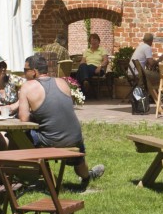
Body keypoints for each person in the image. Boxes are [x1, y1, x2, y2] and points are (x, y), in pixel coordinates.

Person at [16, 55, 105, 191]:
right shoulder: (62, 82)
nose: (23, 72)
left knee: (18, 136)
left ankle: (13, 174)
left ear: (34, 71)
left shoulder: (27, 86)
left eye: (25, 69)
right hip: (75, 137)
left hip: (52, 140)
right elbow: (56, 111)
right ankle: (87, 177)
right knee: (72, 144)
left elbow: (23, 120)